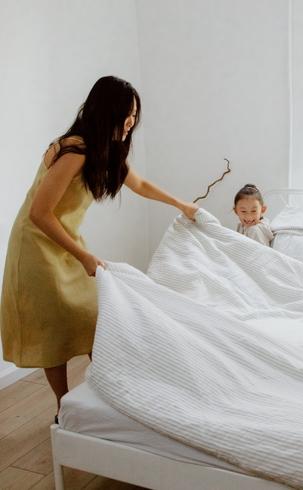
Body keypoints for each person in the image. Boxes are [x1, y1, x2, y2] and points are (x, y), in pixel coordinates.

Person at [0, 76, 198, 416]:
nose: (131, 121)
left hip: (65, 241)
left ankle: (110, 393)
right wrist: (84, 256)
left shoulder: (105, 151)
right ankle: (64, 408)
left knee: (96, 318)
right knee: (54, 328)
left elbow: (141, 185)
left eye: (135, 114)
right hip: (37, 245)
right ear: (107, 112)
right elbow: (39, 214)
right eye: (127, 113)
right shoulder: (74, 150)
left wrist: (182, 205)